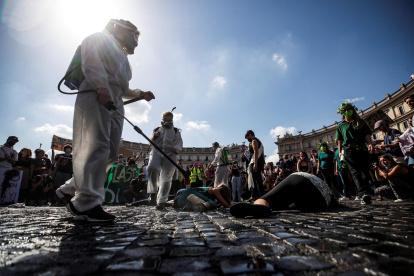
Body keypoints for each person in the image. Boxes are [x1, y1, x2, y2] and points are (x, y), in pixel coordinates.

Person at [56, 19, 155, 222]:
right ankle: (86, 203)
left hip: (115, 100)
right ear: (119, 29)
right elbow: (91, 62)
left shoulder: (123, 57)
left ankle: (70, 189)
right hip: (95, 93)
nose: (136, 40)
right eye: (134, 34)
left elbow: (122, 86)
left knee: (109, 153)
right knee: (96, 146)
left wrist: (140, 93)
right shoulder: (98, 39)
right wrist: (101, 87)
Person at [230, 172, 335, 218]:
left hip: (302, 180)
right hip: (323, 198)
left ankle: (258, 205)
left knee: (265, 198)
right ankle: (262, 206)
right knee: (285, 205)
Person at [336, 102, 373, 205]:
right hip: (349, 151)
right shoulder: (341, 126)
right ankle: (363, 194)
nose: (347, 112)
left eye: (349, 109)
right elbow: (339, 140)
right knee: (355, 172)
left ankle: (367, 192)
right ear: (342, 113)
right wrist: (340, 152)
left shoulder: (360, 122)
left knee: (365, 171)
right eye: (345, 110)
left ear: (352, 110)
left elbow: (366, 134)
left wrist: (370, 144)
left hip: (362, 149)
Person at [147, 112, 183, 210]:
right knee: (152, 168)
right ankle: (153, 193)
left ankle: (161, 201)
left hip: (170, 155)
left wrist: (174, 149)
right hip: (156, 153)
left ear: (172, 119)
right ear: (162, 118)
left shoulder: (176, 131)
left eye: (169, 119)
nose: (166, 121)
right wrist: (154, 137)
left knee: (166, 178)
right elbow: (150, 142)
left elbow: (179, 144)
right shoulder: (156, 129)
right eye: (165, 119)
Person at [245, 130, 265, 199]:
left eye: (247, 137)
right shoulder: (258, 141)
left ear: (250, 135)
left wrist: (255, 164)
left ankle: (255, 196)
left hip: (255, 162)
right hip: (259, 162)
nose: (247, 139)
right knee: (258, 180)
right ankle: (261, 196)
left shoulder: (254, 141)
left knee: (254, 180)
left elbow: (256, 152)